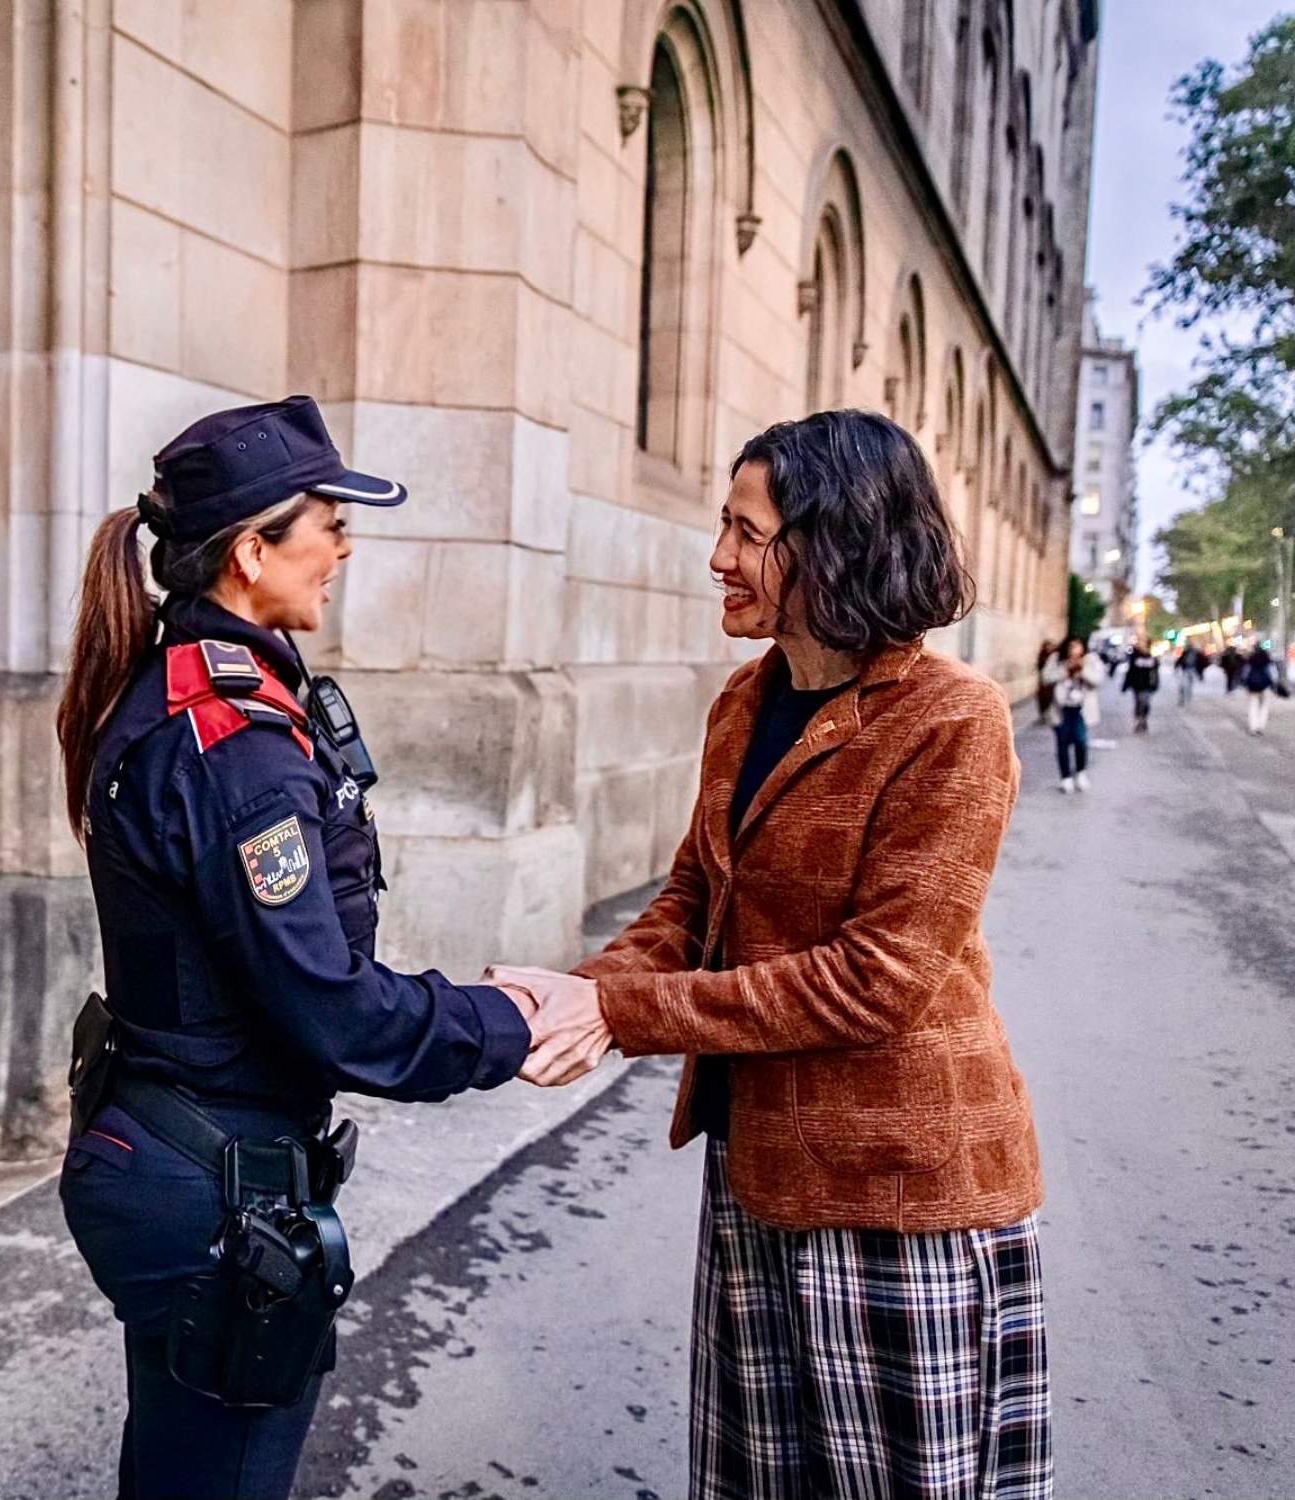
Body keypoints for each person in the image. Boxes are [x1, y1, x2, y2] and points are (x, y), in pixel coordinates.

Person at [490, 411, 1049, 1500]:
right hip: (758, 1171)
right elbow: (696, 897)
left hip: (897, 1195)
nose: (718, 558)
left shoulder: (951, 720)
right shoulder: (744, 702)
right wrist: (575, 993)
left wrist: (625, 1019)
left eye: (746, 533)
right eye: (721, 525)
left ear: (831, 545)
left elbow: (877, 978)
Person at [52, 396, 583, 1500]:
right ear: (252, 550)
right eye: (326, 523)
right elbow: (331, 1010)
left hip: (167, 1152)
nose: (345, 545)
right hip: (208, 1183)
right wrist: (509, 1022)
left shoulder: (207, 695)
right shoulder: (234, 744)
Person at [1041, 638, 1103, 793]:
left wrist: (1082, 670)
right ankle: (1065, 778)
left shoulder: (1091, 660)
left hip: (1080, 710)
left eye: (1078, 646)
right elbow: (1046, 677)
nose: (1074, 650)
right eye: (1071, 647)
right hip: (1061, 709)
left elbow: (1097, 680)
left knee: (1081, 741)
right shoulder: (1056, 659)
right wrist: (1065, 670)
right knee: (1062, 744)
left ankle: (1081, 772)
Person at [1122, 635, 1161, 734]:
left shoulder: (1152, 656)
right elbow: (1130, 671)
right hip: (1137, 685)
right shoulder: (1135, 655)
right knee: (1138, 702)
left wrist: (1156, 684)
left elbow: (1155, 672)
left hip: (1148, 685)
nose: (1141, 645)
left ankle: (1144, 718)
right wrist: (1126, 685)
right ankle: (1138, 720)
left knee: (1146, 703)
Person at [1242, 642, 1282, 734]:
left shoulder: (1250, 659)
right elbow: (1273, 673)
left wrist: (1244, 683)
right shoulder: (1267, 659)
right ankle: (1260, 726)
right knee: (1264, 706)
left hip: (1252, 686)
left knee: (1253, 705)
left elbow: (1245, 672)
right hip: (1265, 686)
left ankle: (1253, 726)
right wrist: (1275, 683)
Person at [1032, 638, 1059, 727]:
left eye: (1049, 646)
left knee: (1050, 699)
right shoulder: (1042, 655)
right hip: (1042, 681)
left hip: (1050, 683)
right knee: (1041, 699)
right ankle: (1042, 716)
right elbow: (1039, 667)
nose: (1048, 647)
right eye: (1047, 646)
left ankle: (1049, 715)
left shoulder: (1054, 656)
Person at [1175, 642, 1203, 706]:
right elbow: (1180, 660)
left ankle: (1187, 695)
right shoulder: (1186, 652)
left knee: (1188, 684)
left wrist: (1200, 673)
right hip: (1186, 670)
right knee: (1185, 684)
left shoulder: (1195, 653)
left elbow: (1201, 662)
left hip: (1192, 670)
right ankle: (1185, 696)